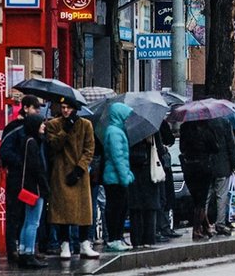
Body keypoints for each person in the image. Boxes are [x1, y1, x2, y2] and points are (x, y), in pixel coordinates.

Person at [44, 97, 99, 259]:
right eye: (63, 107)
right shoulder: (54, 124)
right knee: (62, 211)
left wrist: (80, 169)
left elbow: (89, 148)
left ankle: (84, 243)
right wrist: (65, 130)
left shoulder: (85, 125)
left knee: (83, 211)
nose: (65, 110)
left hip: (79, 174)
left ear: (75, 109)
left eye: (68, 107)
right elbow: (54, 146)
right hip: (61, 173)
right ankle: (65, 244)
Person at [10, 114, 49, 268]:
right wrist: (44, 186)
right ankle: (29, 253)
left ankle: (23, 251)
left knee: (27, 221)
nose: (44, 126)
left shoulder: (27, 141)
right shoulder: (33, 143)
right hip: (35, 188)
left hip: (27, 187)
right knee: (33, 222)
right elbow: (37, 167)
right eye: (41, 124)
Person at [101, 103, 135, 252]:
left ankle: (116, 237)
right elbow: (118, 156)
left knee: (119, 209)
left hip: (115, 177)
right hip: (115, 179)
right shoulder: (115, 132)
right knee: (116, 209)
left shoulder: (115, 130)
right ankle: (114, 238)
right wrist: (125, 177)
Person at [126, 130, 166, 250]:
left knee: (135, 209)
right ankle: (149, 239)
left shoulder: (129, 129)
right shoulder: (151, 130)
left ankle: (136, 240)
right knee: (150, 208)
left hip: (133, 173)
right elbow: (161, 149)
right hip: (149, 172)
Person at [179, 119, 215, 240]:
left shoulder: (184, 128)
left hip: (189, 168)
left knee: (196, 200)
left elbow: (182, 148)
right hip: (203, 167)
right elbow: (215, 147)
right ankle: (196, 229)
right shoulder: (206, 127)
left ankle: (206, 227)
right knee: (201, 201)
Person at [206, 114, 235, 236]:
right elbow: (231, 145)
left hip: (206, 166)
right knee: (222, 196)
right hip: (222, 166)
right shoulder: (224, 123)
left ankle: (204, 223)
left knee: (206, 196)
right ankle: (220, 223)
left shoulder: (201, 123)